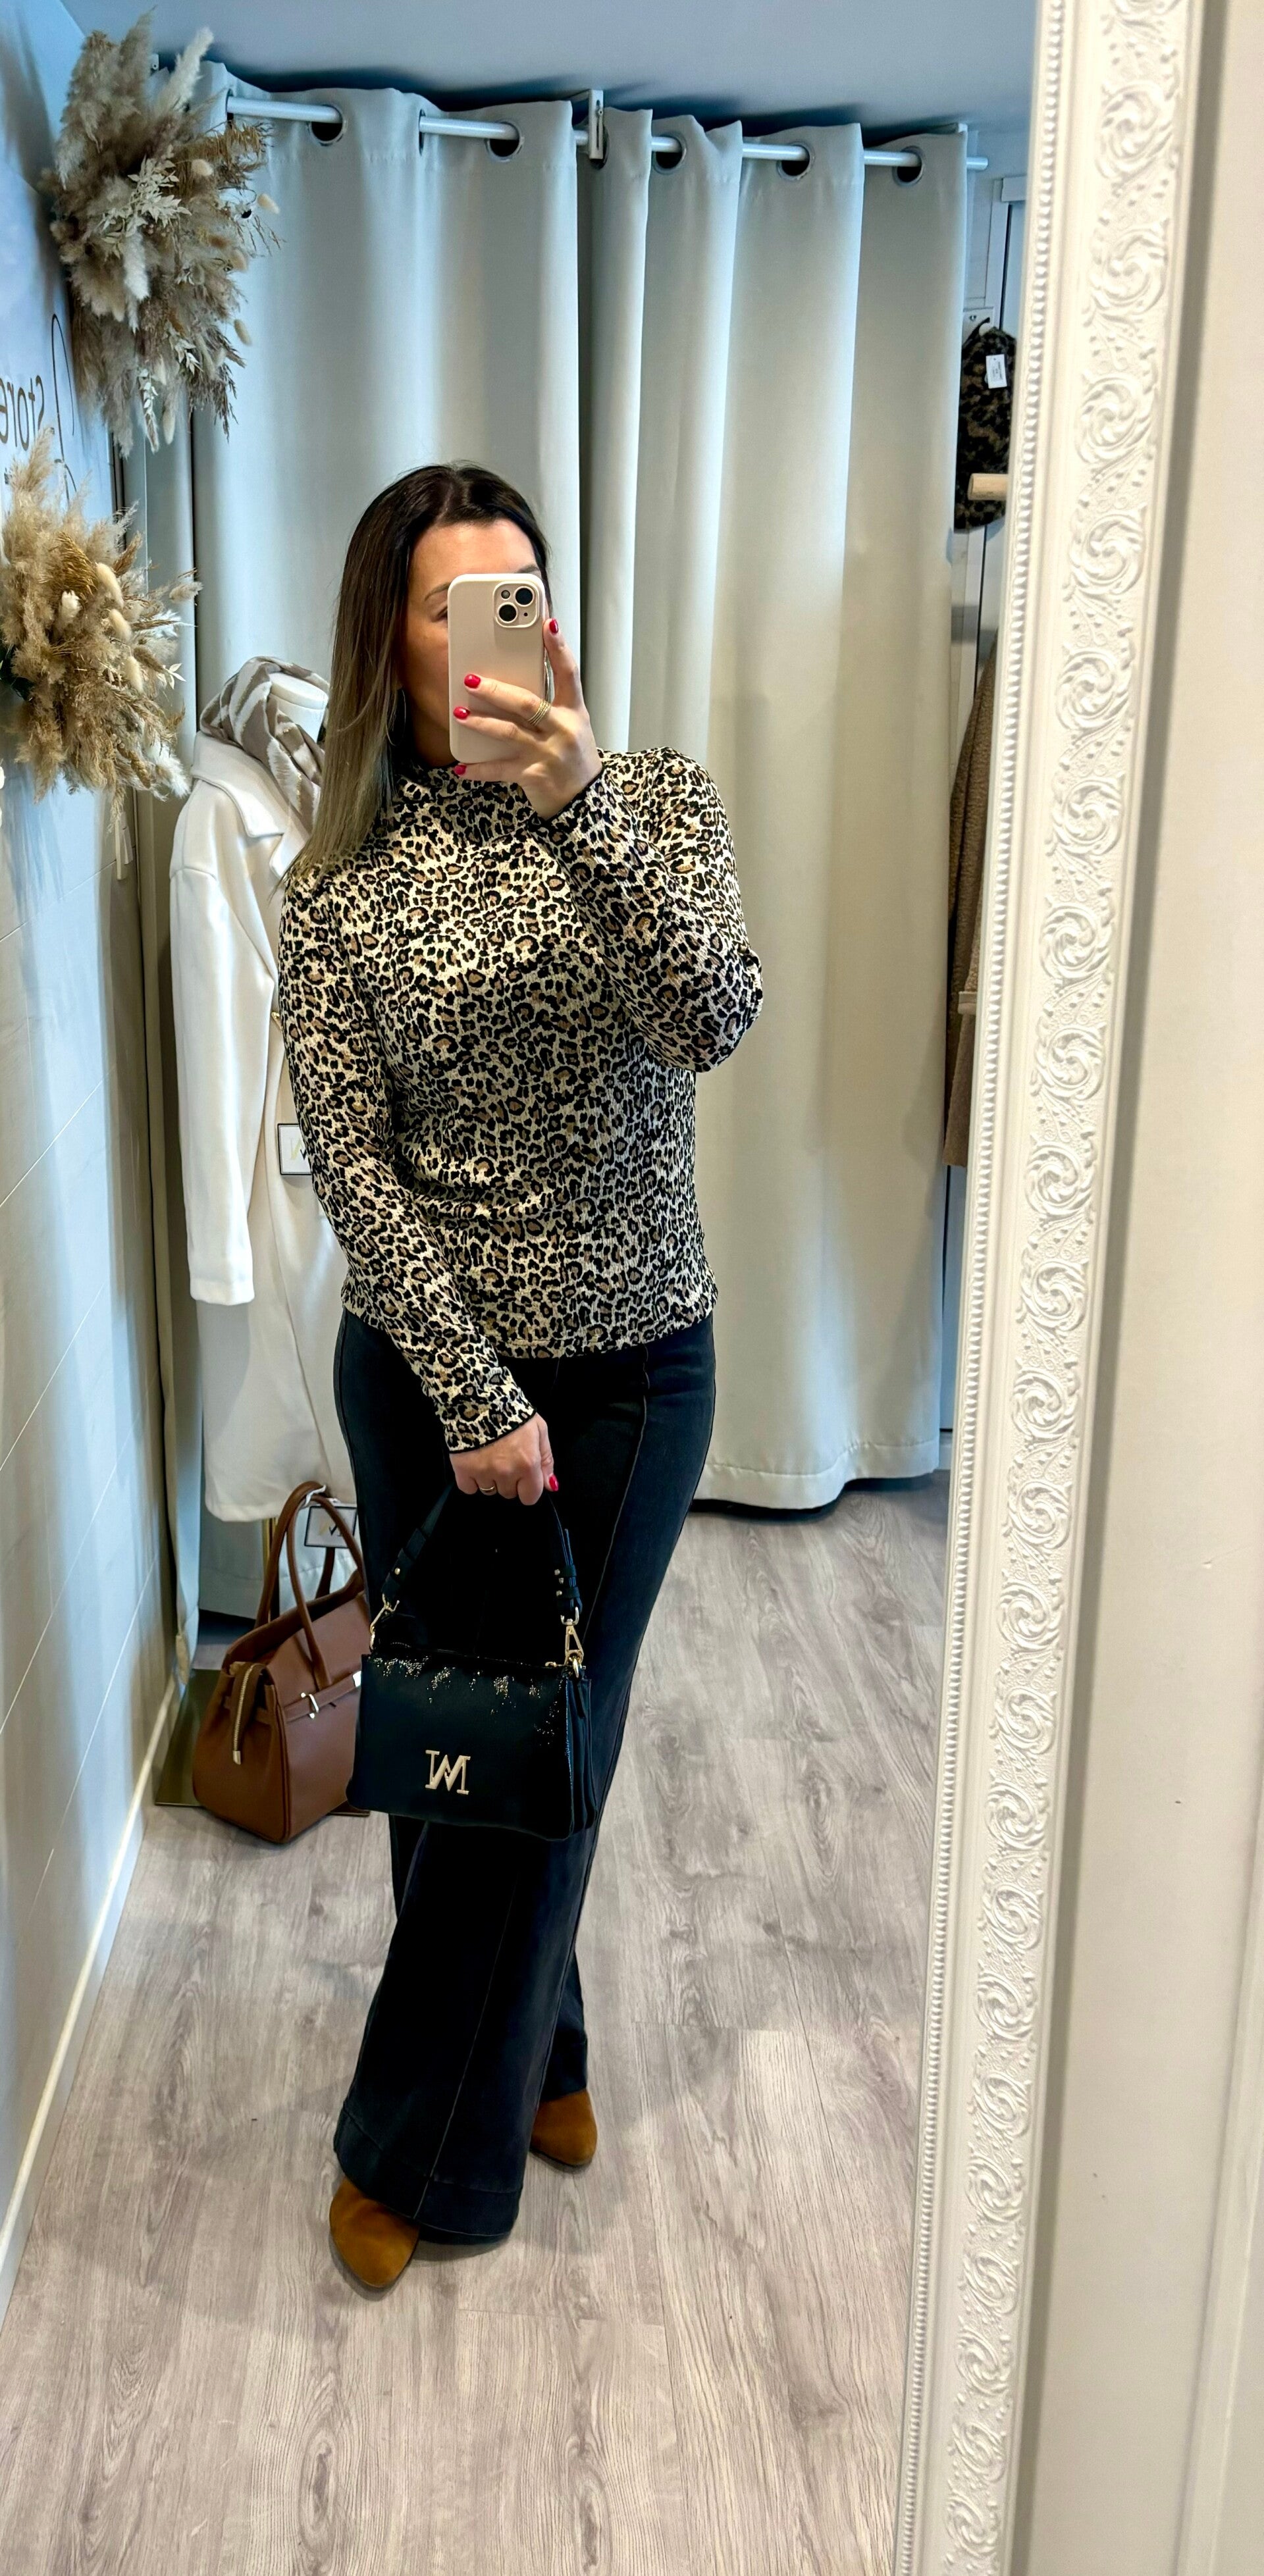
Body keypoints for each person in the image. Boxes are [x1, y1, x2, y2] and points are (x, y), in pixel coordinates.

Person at [276, 462, 762, 2291]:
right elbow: (352, 1162)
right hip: (427, 1379)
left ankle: (424, 2155)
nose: (496, 634)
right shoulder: (340, 888)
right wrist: (476, 1395)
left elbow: (712, 1015)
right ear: (389, 642)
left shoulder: (653, 803)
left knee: (548, 1743)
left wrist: (581, 816)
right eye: (450, 605)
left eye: (520, 594)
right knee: (447, 1750)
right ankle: (540, 2051)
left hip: (636, 1377)